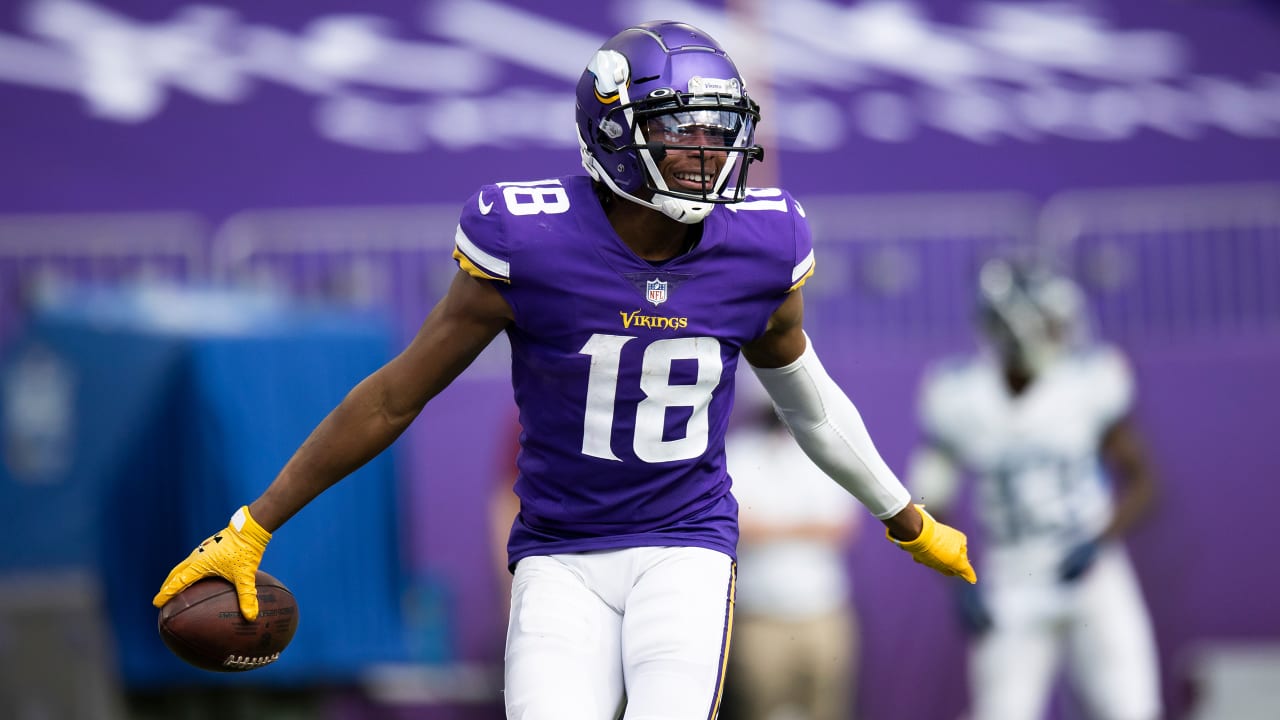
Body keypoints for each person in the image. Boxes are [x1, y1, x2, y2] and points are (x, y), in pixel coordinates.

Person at [153, 21, 975, 720]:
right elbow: (396, 397)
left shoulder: (761, 244)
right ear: (614, 130)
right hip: (558, 552)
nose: (708, 149)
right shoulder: (530, 239)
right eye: (681, 127)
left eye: (718, 127)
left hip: (684, 546)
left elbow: (812, 405)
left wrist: (906, 516)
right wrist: (254, 525)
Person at [906, 258, 1162, 720]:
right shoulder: (961, 396)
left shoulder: (1086, 383)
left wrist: (1098, 540)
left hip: (1091, 571)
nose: (1059, 330)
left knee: (1131, 707)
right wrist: (957, 577)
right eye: (1047, 320)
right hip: (1012, 575)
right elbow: (928, 500)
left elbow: (1144, 481)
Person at [722, 373, 862, 720]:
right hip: (759, 617)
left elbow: (839, 526)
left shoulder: (826, 450)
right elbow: (737, 526)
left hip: (821, 612)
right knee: (758, 708)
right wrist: (802, 526)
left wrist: (772, 526)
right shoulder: (739, 451)